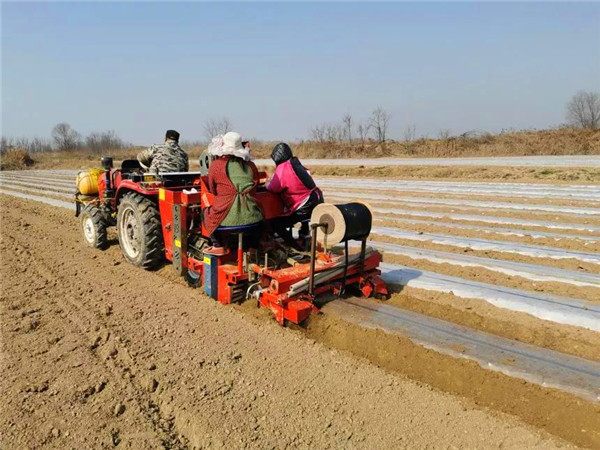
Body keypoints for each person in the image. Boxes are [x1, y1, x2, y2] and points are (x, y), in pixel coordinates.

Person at [203, 132, 264, 255]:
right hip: (253, 218)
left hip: (225, 216)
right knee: (261, 216)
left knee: (204, 213)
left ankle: (218, 245)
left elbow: (213, 190)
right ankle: (253, 247)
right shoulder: (251, 165)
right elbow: (255, 186)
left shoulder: (216, 166)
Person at [266, 142, 323, 249]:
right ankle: (304, 234)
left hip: (305, 206)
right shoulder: (295, 163)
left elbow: (274, 188)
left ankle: (296, 248)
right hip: (316, 200)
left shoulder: (283, 168)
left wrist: (267, 184)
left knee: (276, 223)